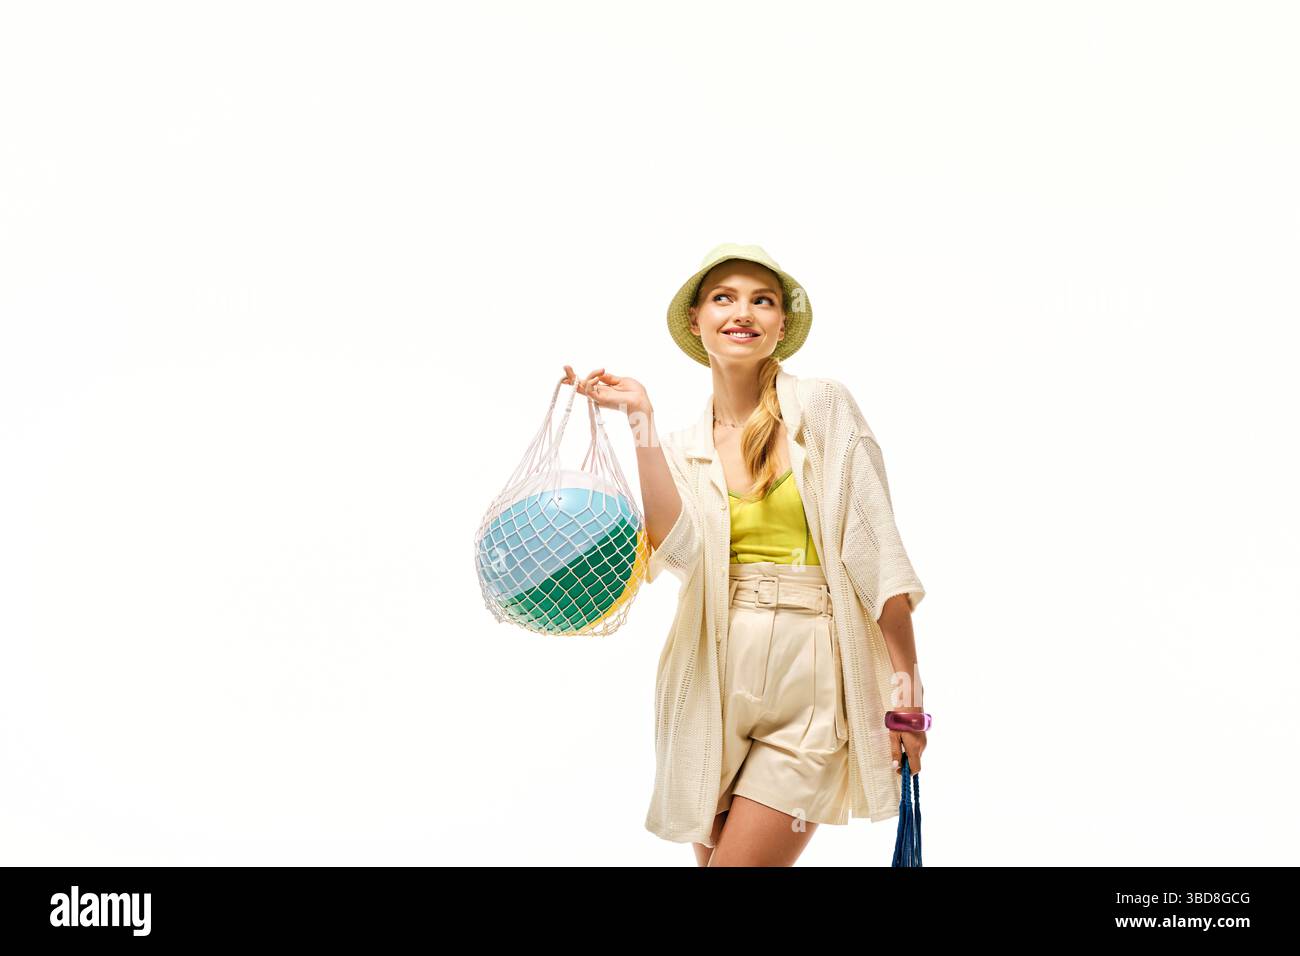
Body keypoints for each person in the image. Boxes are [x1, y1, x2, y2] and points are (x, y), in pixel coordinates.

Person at [563, 243, 929, 867]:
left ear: (781, 327)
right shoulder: (683, 446)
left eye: (763, 300)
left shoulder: (822, 408)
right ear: (698, 323)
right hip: (711, 668)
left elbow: (878, 558)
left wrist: (907, 696)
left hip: (813, 671)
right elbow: (673, 549)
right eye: (724, 298)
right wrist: (641, 420)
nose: (744, 312)